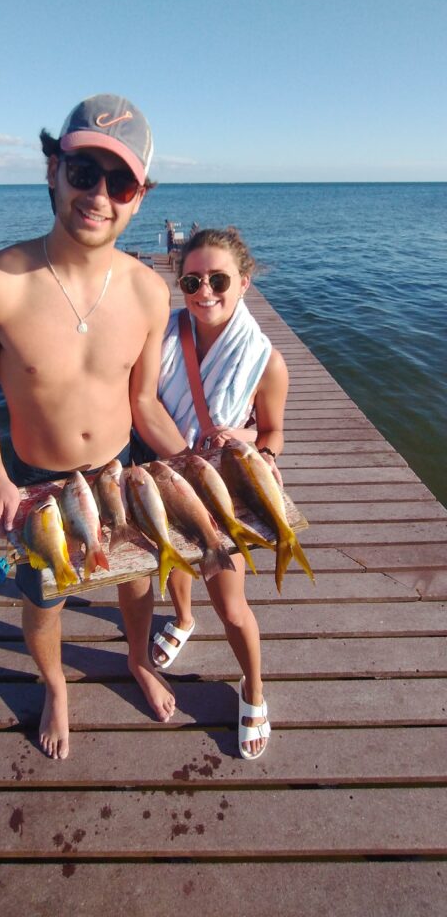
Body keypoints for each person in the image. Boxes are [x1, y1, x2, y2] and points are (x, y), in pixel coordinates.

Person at [0, 94, 188, 760]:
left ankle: (138, 659)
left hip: (120, 474)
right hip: (35, 485)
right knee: (47, 599)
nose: (100, 197)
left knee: (138, 584)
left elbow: (145, 404)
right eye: (85, 171)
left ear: (141, 196)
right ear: (52, 167)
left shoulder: (148, 291)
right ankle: (55, 684)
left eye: (121, 182)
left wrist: (199, 464)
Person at [151, 226, 289, 759]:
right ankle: (184, 619)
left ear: (245, 282)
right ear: (178, 283)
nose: (203, 290)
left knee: (232, 607)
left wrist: (261, 448)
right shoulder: (160, 336)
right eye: (191, 280)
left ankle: (253, 687)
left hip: (220, 490)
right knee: (174, 564)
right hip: (164, 473)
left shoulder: (265, 360)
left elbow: (273, 431)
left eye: (217, 279)